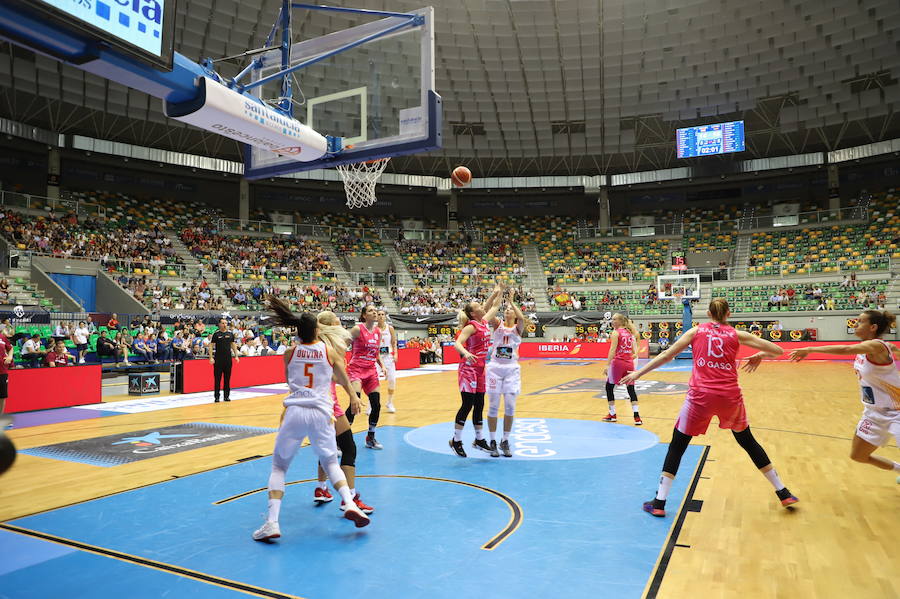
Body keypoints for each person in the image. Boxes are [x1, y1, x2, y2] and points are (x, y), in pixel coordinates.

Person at [621, 298, 797, 517]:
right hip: (730, 397)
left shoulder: (695, 332)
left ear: (708, 313)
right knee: (748, 442)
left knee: (678, 445)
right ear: (728, 314)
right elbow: (778, 350)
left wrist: (638, 373)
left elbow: (667, 355)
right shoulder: (737, 334)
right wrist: (760, 354)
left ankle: (659, 502)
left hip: (700, 397)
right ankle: (783, 492)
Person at [252, 298, 369, 541]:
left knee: (279, 467)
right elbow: (344, 377)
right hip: (321, 412)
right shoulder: (329, 351)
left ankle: (272, 522)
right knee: (331, 463)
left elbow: (289, 381)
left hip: (295, 410)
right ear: (318, 330)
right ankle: (349, 503)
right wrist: (354, 397)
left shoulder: (289, 352)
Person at [789, 310, 899, 482]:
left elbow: (845, 348)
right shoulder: (865, 348)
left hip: (896, 412)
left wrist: (809, 348)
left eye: (860, 322)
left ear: (873, 327)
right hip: (873, 412)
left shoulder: (877, 346)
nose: (855, 324)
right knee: (858, 456)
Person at [311, 311, 374, 515]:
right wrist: (354, 397)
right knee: (349, 448)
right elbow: (340, 378)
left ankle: (321, 488)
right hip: (329, 403)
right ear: (331, 326)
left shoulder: (309, 345)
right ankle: (351, 497)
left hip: (310, 403)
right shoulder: (331, 348)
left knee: (326, 448)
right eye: (338, 321)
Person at [450, 284, 502, 457]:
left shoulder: (484, 322)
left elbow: (494, 306)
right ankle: (456, 440)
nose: (482, 307)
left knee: (479, 404)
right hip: (468, 369)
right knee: (467, 404)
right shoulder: (471, 326)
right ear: (473, 313)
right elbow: (457, 343)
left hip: (480, 369)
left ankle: (479, 439)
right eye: (478, 307)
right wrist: (465, 352)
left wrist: (498, 292)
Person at [484, 289, 525, 457]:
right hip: (494, 368)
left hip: (511, 369)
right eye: (505, 309)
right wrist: (497, 295)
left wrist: (512, 301)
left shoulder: (518, 328)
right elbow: (487, 311)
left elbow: (522, 318)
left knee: (510, 406)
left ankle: (505, 440)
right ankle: (493, 440)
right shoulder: (497, 324)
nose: (507, 310)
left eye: (510, 309)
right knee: (493, 406)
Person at [345, 304, 385, 450]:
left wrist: (383, 366)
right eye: (370, 311)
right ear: (364, 315)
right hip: (356, 370)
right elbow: (343, 345)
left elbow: (376, 352)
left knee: (376, 404)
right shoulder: (357, 329)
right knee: (354, 406)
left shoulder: (378, 332)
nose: (374, 313)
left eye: (375, 310)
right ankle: (340, 438)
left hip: (371, 371)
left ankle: (371, 437)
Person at [601, 313, 642, 425]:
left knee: (609, 388)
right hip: (629, 363)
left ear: (619, 321)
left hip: (618, 363)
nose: (612, 321)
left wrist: (607, 365)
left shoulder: (615, 332)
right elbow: (634, 351)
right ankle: (637, 416)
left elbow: (612, 350)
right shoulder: (630, 332)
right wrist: (633, 354)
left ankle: (612, 414)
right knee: (631, 389)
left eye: (614, 319)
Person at [210, 319, 240, 403]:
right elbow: (211, 346)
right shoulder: (216, 334)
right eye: (223, 323)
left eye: (226, 323)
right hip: (218, 360)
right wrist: (211, 357)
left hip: (228, 359)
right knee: (217, 379)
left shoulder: (230, 334)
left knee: (227, 379)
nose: (224, 324)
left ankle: (226, 396)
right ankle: (217, 397)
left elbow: (233, 345)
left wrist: (236, 355)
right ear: (219, 324)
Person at [376, 309, 398, 413]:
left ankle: (389, 402)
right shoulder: (373, 329)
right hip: (376, 358)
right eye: (378, 314)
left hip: (388, 356)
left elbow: (394, 342)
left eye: (382, 314)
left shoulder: (390, 328)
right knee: (374, 382)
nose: (380, 316)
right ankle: (372, 405)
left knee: (392, 380)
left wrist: (396, 353)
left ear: (385, 316)